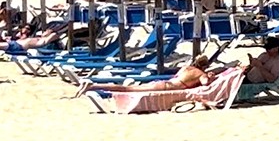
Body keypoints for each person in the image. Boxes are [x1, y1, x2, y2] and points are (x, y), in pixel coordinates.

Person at [76, 55, 211, 96]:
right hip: (165, 88)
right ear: (204, 66)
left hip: (164, 83)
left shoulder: (186, 68)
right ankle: (92, 86)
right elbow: (205, 83)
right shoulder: (200, 73)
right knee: (127, 89)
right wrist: (211, 76)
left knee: (127, 89)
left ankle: (93, 85)